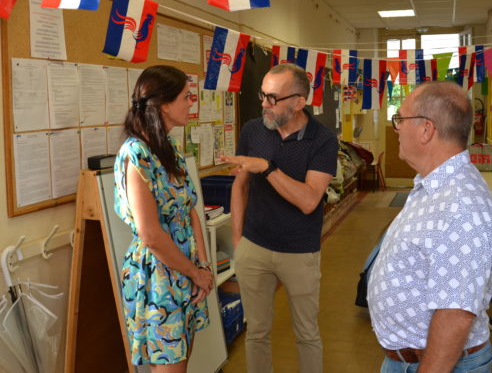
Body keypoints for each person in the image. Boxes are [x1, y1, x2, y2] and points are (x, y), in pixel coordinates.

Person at [368, 81, 492, 373]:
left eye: (401, 119)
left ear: (426, 129)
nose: (397, 128)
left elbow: (456, 314)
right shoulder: (435, 188)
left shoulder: (460, 204)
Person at [220, 63, 338, 373]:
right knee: (257, 333)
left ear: (299, 102)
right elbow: (240, 185)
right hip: (254, 247)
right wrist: (237, 240)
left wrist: (267, 168)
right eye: (262, 95)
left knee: (307, 334)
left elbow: (310, 200)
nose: (263, 104)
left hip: (300, 252)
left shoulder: (323, 140)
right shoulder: (253, 130)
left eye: (272, 98)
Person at [114, 65, 213, 372]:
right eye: (186, 97)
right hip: (158, 277)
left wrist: (203, 267)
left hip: (186, 271)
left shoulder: (169, 147)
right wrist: (194, 273)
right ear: (164, 104)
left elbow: (190, 209)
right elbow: (150, 234)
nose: (191, 103)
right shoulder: (136, 155)